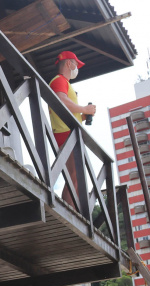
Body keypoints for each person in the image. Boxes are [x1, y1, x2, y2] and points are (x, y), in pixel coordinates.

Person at [48, 51, 97, 202]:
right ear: (69, 63)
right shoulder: (60, 80)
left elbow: (64, 108)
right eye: (76, 64)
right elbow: (61, 100)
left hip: (66, 132)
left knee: (75, 176)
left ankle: (72, 208)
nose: (77, 68)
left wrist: (82, 116)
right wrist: (84, 109)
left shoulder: (63, 82)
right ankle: (70, 208)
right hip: (66, 133)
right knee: (75, 176)